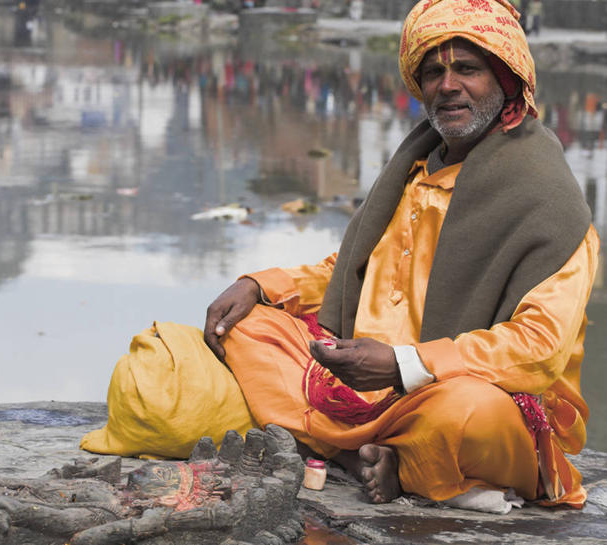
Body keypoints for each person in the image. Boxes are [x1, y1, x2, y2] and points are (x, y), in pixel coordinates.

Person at [204, 0, 598, 509]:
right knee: (250, 327)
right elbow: (352, 272)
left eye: (468, 69)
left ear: (508, 79)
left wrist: (403, 364)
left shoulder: (552, 203)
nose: (448, 85)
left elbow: (537, 348)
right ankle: (365, 458)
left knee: (470, 414)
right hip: (366, 381)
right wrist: (259, 286)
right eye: (433, 72)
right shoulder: (414, 171)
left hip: (457, 392)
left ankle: (368, 453)